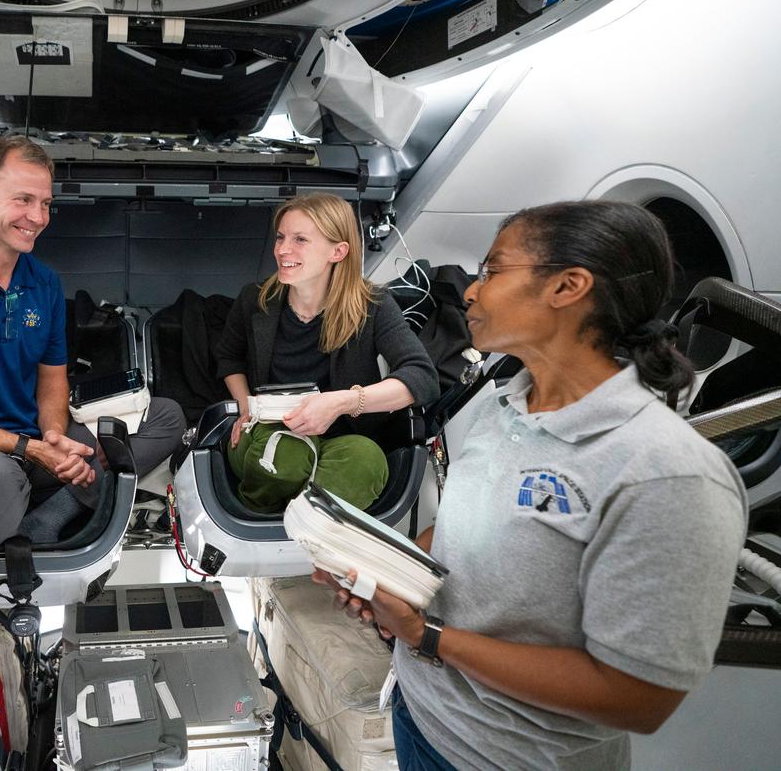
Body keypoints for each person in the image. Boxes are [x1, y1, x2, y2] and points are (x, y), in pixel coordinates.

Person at [320, 200, 748, 770]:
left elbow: (636, 698)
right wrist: (386, 572)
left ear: (568, 286)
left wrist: (425, 634)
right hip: (421, 714)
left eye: (493, 271)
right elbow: (459, 539)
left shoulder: (668, 473)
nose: (470, 291)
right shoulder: (503, 409)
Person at [0, 135, 185, 547]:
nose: (38, 216)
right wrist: (30, 449)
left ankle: (49, 515)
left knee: (165, 417)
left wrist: (55, 434)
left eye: (45, 203)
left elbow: (52, 380)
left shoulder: (43, 282)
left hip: (31, 439)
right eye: (23, 199)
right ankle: (56, 492)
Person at [215, 193, 438, 503]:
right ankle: (266, 524)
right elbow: (228, 357)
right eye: (280, 237)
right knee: (287, 457)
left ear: (338, 251)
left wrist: (341, 403)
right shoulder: (255, 299)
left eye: (300, 240)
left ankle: (312, 532)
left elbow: (422, 378)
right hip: (266, 430)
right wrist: (244, 408)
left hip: (342, 438)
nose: (282, 249)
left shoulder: (373, 305)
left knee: (367, 461)